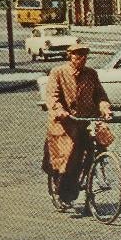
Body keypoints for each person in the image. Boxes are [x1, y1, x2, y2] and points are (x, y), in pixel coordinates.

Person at [41, 43, 112, 211]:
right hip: (63, 125)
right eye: (77, 55)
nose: (81, 59)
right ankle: (63, 192)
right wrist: (60, 111)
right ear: (70, 56)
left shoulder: (91, 74)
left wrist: (105, 108)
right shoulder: (58, 73)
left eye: (84, 55)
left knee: (97, 147)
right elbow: (52, 96)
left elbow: (100, 95)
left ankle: (87, 182)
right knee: (68, 157)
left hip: (83, 122)